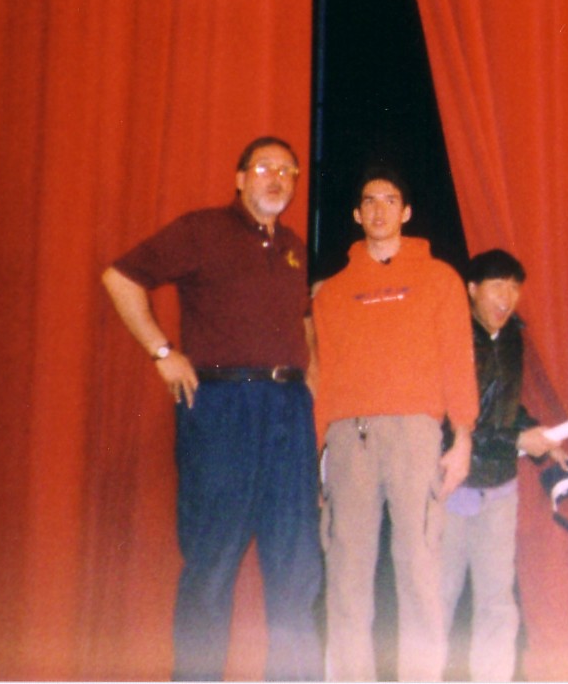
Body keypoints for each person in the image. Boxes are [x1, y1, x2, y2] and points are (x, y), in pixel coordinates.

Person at [102, 137, 322, 681]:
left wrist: (310, 381)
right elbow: (120, 277)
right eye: (264, 168)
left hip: (288, 411)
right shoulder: (202, 230)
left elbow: (305, 322)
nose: (277, 179)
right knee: (213, 561)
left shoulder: (294, 246)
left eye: (287, 171)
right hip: (222, 407)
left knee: (296, 565)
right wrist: (161, 352)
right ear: (240, 177)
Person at [310, 171, 477, 682]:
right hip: (348, 437)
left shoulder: (440, 278)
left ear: (406, 212)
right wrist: (321, 453)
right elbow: (323, 374)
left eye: (390, 200)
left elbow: (457, 358)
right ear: (356, 215)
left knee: (420, 571)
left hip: (415, 434)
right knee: (346, 575)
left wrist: (462, 437)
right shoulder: (332, 292)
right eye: (368, 202)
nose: (379, 209)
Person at [441, 249, 568, 684]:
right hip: (452, 487)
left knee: (497, 600)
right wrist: (518, 440)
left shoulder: (513, 337)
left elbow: (506, 410)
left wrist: (541, 442)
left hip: (499, 488)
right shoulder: (450, 336)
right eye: (498, 285)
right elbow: (447, 423)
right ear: (471, 289)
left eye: (515, 287)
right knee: (438, 599)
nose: (508, 296)